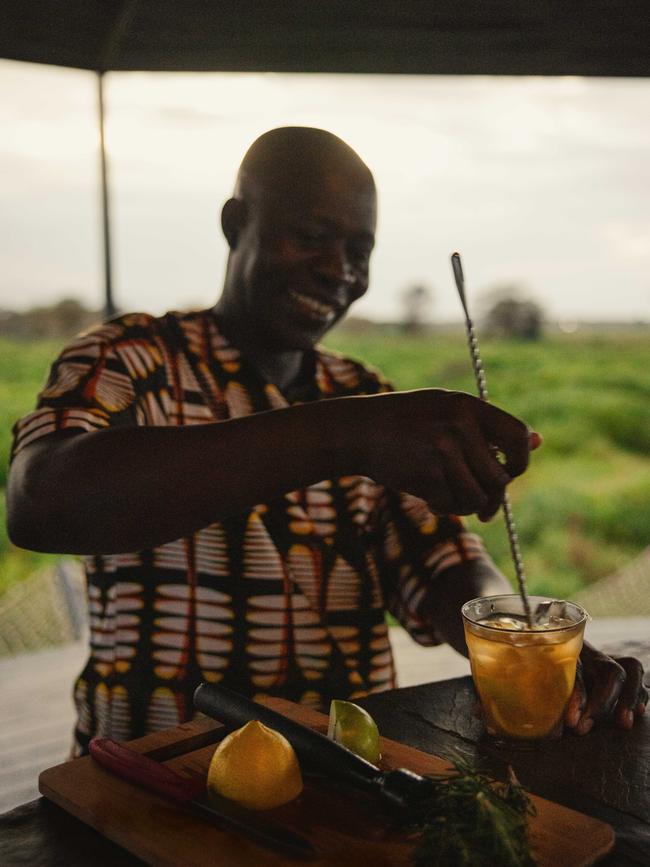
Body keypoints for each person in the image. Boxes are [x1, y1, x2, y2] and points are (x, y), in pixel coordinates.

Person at [7, 127, 646, 755]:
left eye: (359, 250)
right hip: (154, 784)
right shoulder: (129, 360)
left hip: (350, 779)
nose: (340, 270)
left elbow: (438, 560)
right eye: (312, 237)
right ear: (236, 225)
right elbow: (42, 502)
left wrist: (528, 645)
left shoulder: (359, 387)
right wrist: (345, 435)